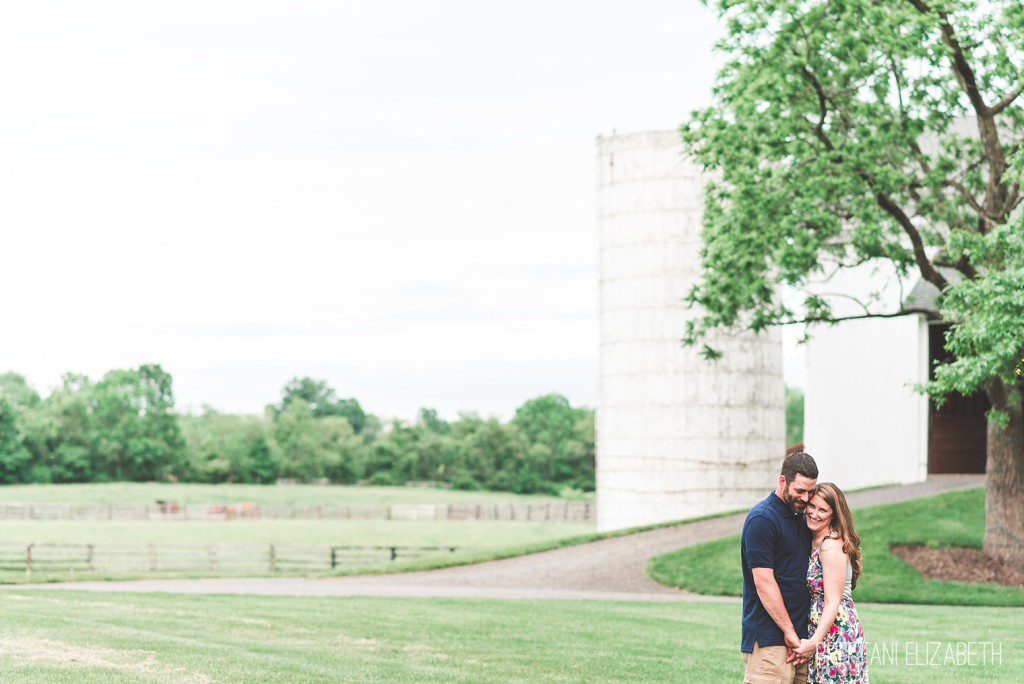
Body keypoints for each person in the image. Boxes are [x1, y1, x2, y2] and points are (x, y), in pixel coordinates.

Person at [740, 452, 818, 683]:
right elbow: (764, 583)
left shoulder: (802, 519)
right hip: (769, 640)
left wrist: (802, 639)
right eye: (800, 490)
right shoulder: (762, 519)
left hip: (801, 642)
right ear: (782, 481)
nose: (805, 498)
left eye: (810, 491)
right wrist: (789, 632)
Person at [792, 483, 868, 683]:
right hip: (821, 627)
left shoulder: (830, 545)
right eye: (812, 506)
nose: (815, 514)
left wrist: (814, 642)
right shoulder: (813, 540)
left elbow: (832, 601)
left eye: (823, 510)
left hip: (836, 630)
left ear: (833, 514)